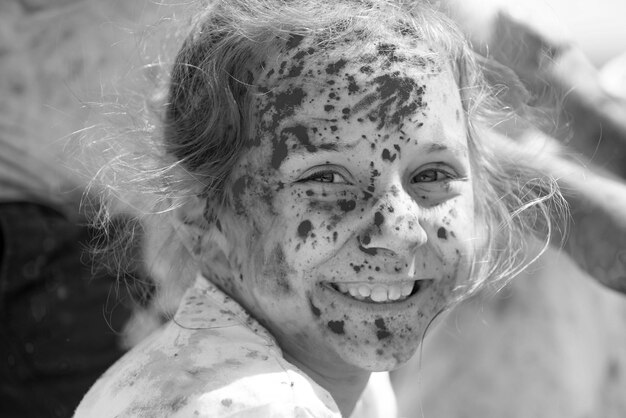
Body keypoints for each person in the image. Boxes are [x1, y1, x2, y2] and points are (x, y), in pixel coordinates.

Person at [74, 0, 566, 416]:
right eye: (326, 179)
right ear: (201, 216)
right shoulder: (250, 405)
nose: (400, 231)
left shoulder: (340, 375)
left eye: (432, 175)